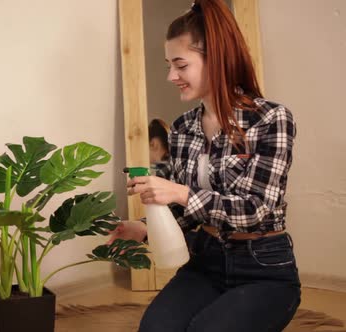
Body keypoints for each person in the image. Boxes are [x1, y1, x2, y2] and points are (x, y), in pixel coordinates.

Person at [110, 0, 301, 331]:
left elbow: (255, 209)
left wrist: (178, 192)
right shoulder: (183, 127)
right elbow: (188, 214)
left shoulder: (270, 118)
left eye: (181, 65)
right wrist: (143, 228)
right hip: (204, 261)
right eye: (169, 65)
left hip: (264, 267)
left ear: (217, 60)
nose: (172, 76)